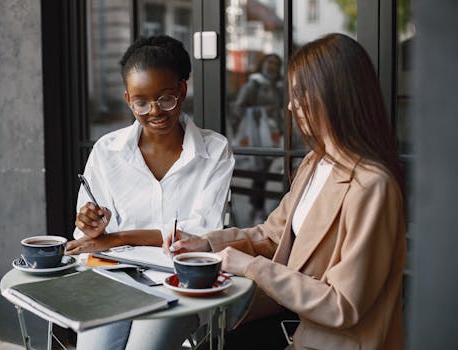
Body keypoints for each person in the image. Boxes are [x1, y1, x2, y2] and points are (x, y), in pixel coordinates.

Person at [168, 33, 406, 349]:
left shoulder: (373, 186)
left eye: (299, 93)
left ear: (333, 96)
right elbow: (272, 235)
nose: (291, 105)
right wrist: (206, 244)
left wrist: (250, 267)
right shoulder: (314, 163)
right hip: (294, 325)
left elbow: (342, 305)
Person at [65, 35, 234, 350]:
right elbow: (88, 239)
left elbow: (199, 235)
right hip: (115, 280)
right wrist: (92, 225)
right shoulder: (107, 151)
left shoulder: (215, 150)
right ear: (128, 99)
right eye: (141, 102)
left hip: (181, 285)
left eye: (165, 98)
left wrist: (118, 237)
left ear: (182, 90)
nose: (154, 111)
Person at [231, 54, 285, 224]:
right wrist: (261, 111)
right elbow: (238, 108)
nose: (272, 67)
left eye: (276, 64)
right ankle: (257, 208)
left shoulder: (279, 85)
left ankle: (258, 208)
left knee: (264, 173)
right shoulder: (254, 84)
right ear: (263, 63)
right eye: (270, 62)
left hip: (272, 135)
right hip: (257, 136)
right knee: (259, 173)